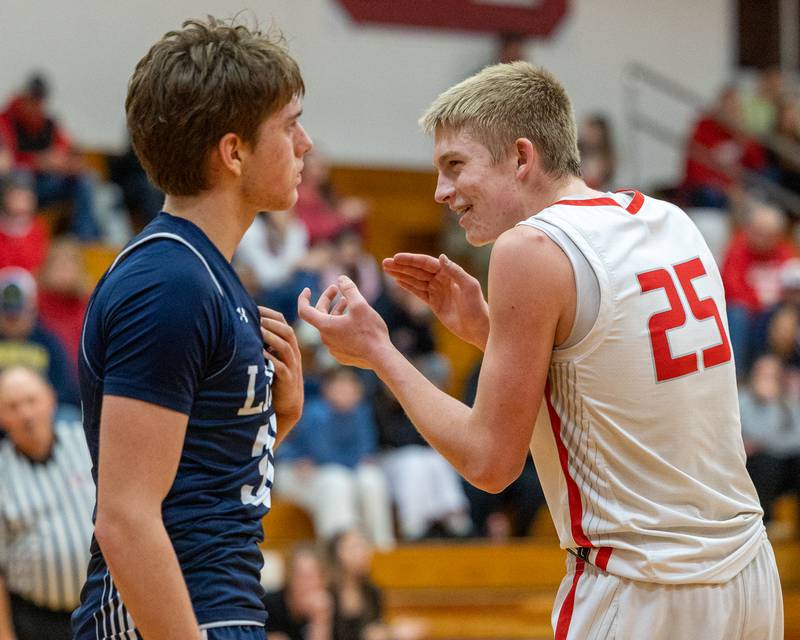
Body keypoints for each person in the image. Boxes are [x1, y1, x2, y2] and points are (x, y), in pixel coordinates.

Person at [298, 61, 782, 639]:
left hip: (644, 589)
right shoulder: (670, 220)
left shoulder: (529, 248)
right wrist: (489, 331)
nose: (440, 192)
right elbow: (605, 381)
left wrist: (379, 351)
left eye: (455, 166)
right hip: (749, 573)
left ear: (522, 158)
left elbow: (489, 462)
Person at [70, 17, 310, 640]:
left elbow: (200, 486)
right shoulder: (170, 283)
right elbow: (124, 518)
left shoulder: (205, 272)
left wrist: (276, 420)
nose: (305, 144)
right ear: (233, 152)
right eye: (288, 126)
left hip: (220, 609)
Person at [0, 367, 94, 640]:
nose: (26, 415)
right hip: (37, 621)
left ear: (51, 400)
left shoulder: (87, 441)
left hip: (102, 606)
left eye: (31, 401)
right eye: (12, 406)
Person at [275, 366, 395, 549]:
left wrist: (355, 461)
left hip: (335, 470)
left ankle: (382, 545)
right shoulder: (315, 412)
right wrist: (353, 461)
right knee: (336, 481)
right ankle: (336, 549)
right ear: (327, 389)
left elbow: (366, 450)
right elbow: (323, 454)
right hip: (296, 471)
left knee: (372, 478)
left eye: (351, 387)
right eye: (340, 386)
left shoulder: (362, 412)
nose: (346, 392)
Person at [0, 267, 78, 406]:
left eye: (18, 315)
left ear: (32, 309)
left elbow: (65, 389)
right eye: (7, 315)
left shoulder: (49, 342)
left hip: (42, 413)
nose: (13, 321)